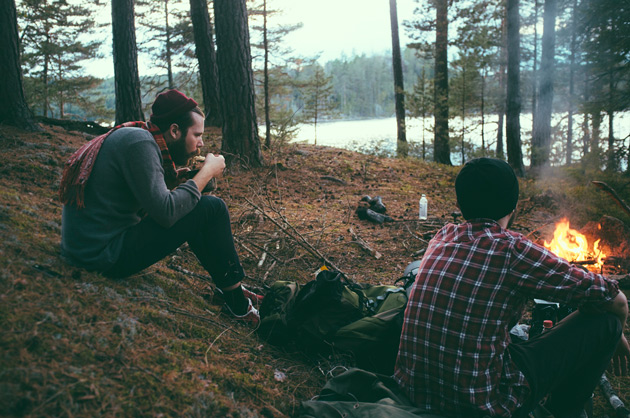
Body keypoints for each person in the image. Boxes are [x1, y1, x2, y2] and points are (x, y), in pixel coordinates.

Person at [394, 157, 630, 418]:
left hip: (414, 390)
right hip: (484, 404)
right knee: (605, 323)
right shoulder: (512, 249)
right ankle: (565, 411)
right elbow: (616, 300)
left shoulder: (442, 236)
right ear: (514, 206)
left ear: (459, 205)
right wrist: (616, 331)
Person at [59, 89, 261, 325]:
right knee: (212, 207)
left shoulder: (136, 136)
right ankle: (237, 304)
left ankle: (231, 288)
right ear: (174, 130)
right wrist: (206, 173)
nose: (201, 142)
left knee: (198, 206)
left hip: (87, 248)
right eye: (196, 135)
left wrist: (190, 182)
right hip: (103, 256)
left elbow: (150, 197)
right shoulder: (140, 144)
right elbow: (166, 213)